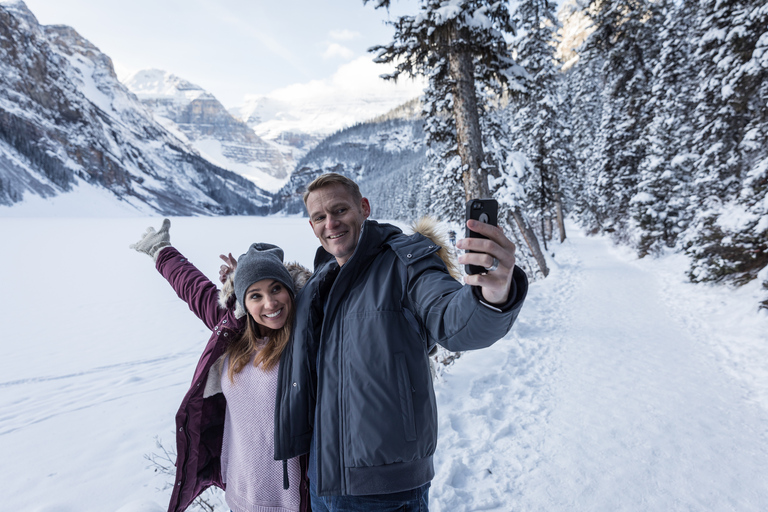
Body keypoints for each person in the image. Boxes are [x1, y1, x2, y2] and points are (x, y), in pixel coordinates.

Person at [273, 173, 529, 512]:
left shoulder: (406, 263)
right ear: (312, 225)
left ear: (363, 208)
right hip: (322, 479)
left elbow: (452, 319)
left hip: (386, 488)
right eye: (320, 217)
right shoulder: (322, 279)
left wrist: (492, 294)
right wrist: (244, 283)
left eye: (340, 210)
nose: (331, 223)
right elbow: (272, 322)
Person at [130, 219, 312, 512]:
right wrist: (161, 251)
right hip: (240, 496)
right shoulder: (232, 332)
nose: (270, 303)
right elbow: (193, 288)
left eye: (277, 288)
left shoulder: (309, 337)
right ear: (243, 302)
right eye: (256, 295)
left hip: (295, 502)